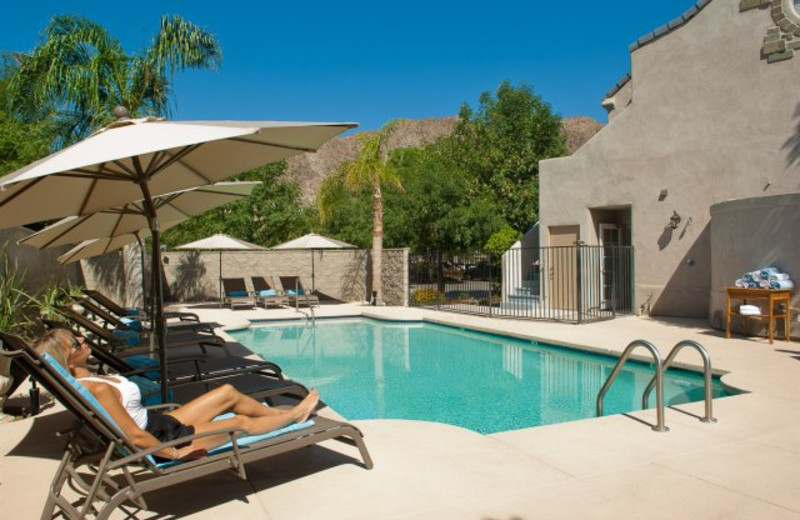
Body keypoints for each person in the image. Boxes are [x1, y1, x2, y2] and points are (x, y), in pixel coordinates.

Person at [35, 328, 319, 461]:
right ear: (68, 360)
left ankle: (278, 415)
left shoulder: (91, 376)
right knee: (240, 423)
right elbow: (133, 436)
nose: (83, 339)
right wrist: (174, 453)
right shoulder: (96, 388)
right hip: (161, 439)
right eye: (76, 343)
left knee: (227, 393)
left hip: (160, 422)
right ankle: (295, 414)